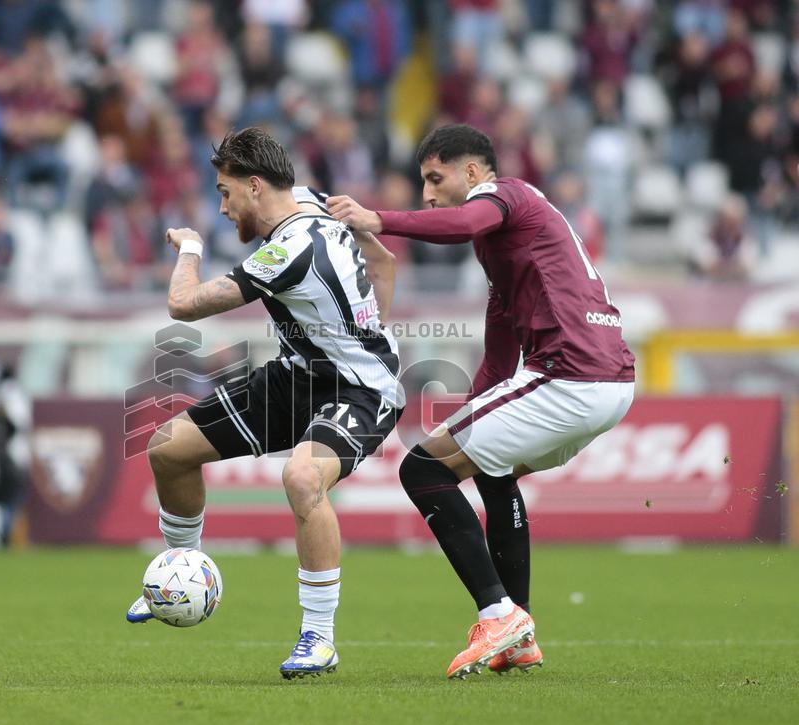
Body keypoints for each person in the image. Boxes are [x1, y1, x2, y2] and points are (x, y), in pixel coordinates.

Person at [327, 124, 635, 678]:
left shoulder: (505, 195)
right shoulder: (504, 245)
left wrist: (378, 218)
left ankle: (498, 614)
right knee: (489, 469)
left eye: (433, 178)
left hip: (572, 374)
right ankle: (519, 632)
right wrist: (470, 422)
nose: (426, 193)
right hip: (607, 381)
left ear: (472, 173)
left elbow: (463, 220)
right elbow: (499, 351)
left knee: (422, 469)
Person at [125, 127, 405, 679]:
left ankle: (319, 638)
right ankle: (183, 570)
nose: (223, 207)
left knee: (303, 480)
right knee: (169, 448)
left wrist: (190, 248)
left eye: (226, 194)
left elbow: (182, 304)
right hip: (296, 376)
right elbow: (385, 263)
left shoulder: (286, 251)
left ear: (255, 187)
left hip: (360, 388)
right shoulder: (316, 200)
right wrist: (366, 322)